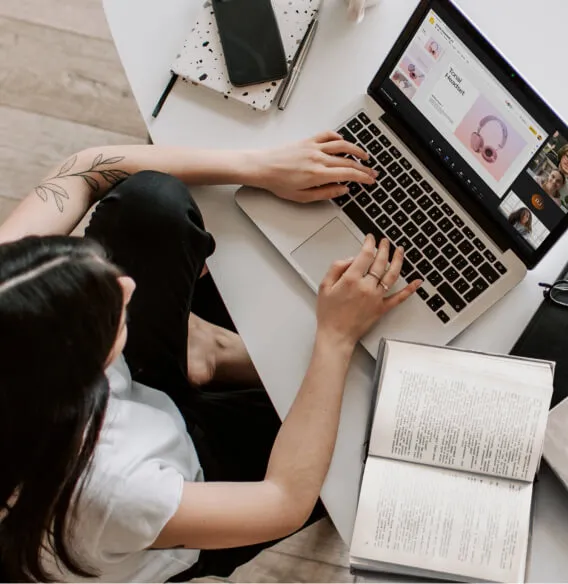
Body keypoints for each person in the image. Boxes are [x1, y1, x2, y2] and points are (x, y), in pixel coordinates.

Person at [0, 132, 420, 583]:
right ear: (76, 376)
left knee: (150, 201)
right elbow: (282, 502)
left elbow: (81, 170)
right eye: (109, 312)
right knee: (380, 429)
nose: (127, 286)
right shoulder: (112, 491)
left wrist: (258, 166)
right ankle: (211, 355)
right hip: (190, 480)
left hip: (126, 406)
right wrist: (335, 338)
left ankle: (205, 353)